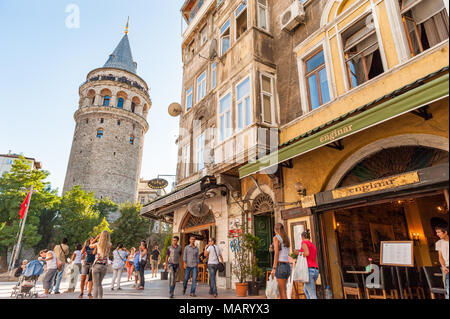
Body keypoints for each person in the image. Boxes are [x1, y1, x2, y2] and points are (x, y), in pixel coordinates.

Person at [295, 229, 319, 299]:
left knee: (312, 294)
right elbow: (309, 253)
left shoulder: (303, 242)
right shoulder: (312, 245)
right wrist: (300, 251)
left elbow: (307, 253)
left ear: (302, 237)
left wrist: (298, 253)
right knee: (306, 290)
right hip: (315, 270)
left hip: (309, 270)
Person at [270, 223, 291, 299]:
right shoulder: (286, 238)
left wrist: (274, 268)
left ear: (275, 230)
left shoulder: (276, 238)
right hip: (287, 266)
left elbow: (276, 254)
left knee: (282, 292)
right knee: (283, 291)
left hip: (280, 266)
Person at [91, 231, 112, 299]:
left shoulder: (98, 244)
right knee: (100, 284)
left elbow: (90, 245)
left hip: (96, 265)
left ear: (101, 236)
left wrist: (96, 238)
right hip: (104, 266)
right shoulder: (110, 244)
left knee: (95, 285)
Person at [435, 225, 449, 299]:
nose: (437, 234)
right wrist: (443, 267)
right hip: (446, 269)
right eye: (436, 232)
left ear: (445, 232)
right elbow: (440, 257)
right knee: (448, 290)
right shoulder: (438, 243)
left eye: (439, 232)